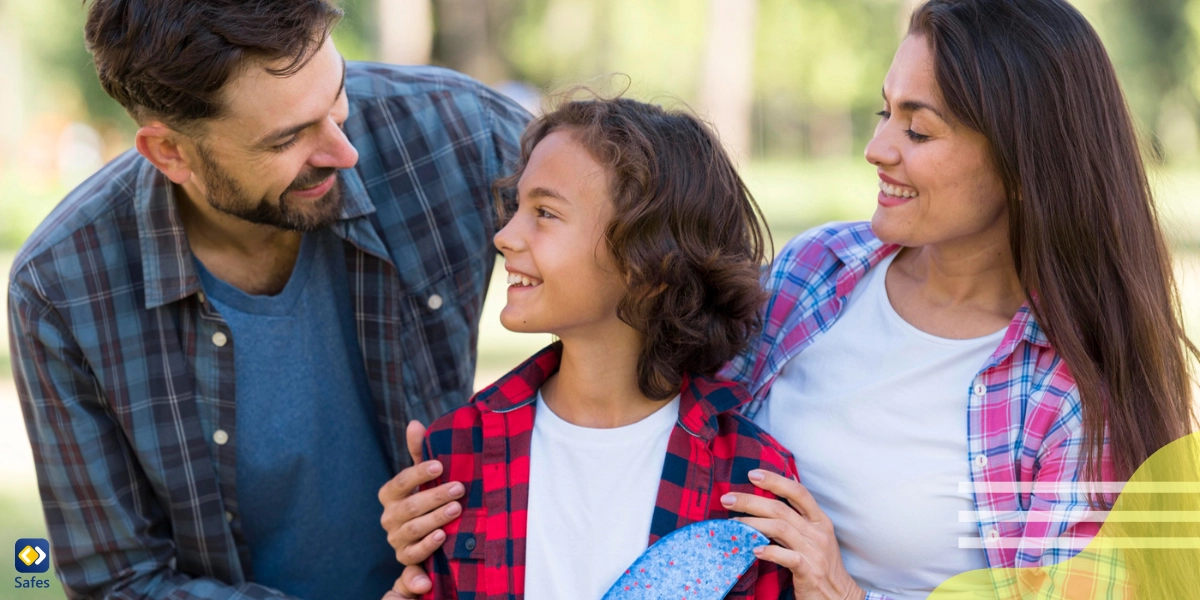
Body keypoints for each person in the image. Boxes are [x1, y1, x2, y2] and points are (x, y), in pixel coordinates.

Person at [380, 0, 1197, 598]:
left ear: (1023, 160)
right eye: (885, 112)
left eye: (919, 129)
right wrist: (473, 484)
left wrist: (841, 592)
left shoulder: (1073, 407)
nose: (878, 148)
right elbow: (644, 387)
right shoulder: (822, 273)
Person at [6, 0, 527, 598]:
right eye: (288, 138)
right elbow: (119, 582)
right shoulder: (61, 288)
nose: (344, 150)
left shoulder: (460, 133)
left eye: (336, 95)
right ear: (170, 153)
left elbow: (644, 278)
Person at [418, 96, 797, 599]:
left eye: (545, 213)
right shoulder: (455, 456)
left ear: (649, 265)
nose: (505, 236)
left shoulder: (750, 481)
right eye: (516, 210)